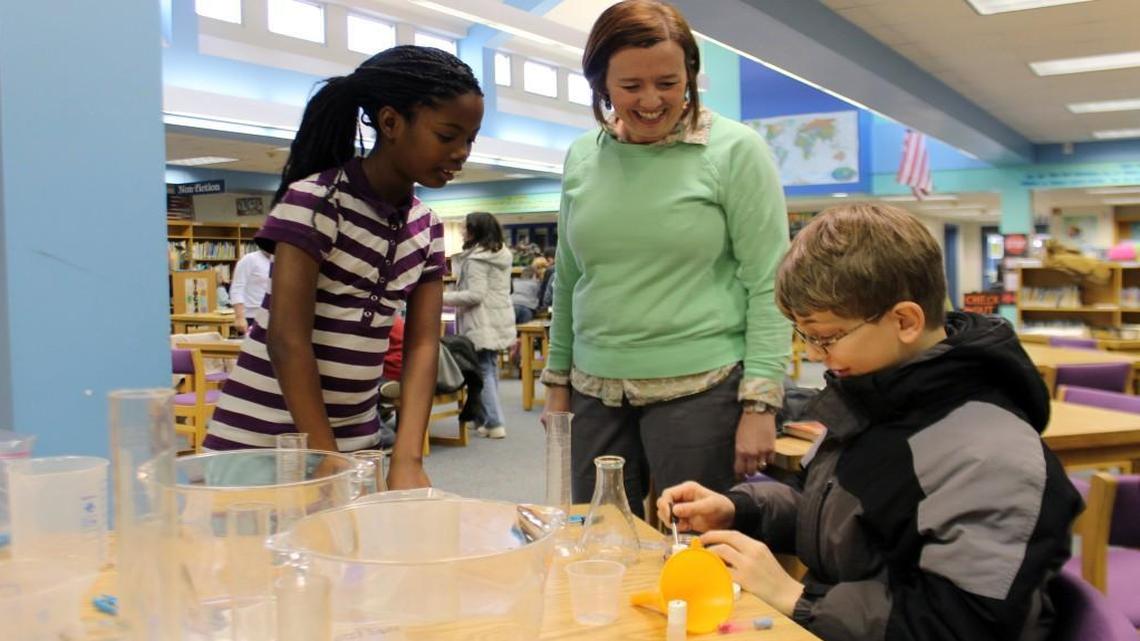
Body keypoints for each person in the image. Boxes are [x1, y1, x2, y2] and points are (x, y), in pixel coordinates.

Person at [658, 204, 1082, 641]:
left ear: (904, 321)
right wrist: (740, 510)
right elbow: (850, 521)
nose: (818, 355)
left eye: (826, 336)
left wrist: (795, 598)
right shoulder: (879, 396)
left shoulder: (989, 456)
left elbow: (962, 624)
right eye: (806, 337)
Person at [541, 0, 791, 515]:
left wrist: (760, 401)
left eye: (669, 82)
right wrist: (557, 383)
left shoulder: (735, 150)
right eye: (631, 86)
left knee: (696, 547)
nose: (652, 100)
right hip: (593, 388)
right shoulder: (582, 156)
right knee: (597, 544)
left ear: (692, 75)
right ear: (601, 85)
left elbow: (769, 281)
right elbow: (568, 278)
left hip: (700, 387)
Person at [202, 46, 484, 490]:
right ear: (390, 123)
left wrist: (407, 457)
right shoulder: (316, 204)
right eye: (447, 135)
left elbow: (423, 346)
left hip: (357, 444)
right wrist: (324, 453)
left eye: (470, 139)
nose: (461, 152)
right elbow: (287, 340)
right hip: (260, 443)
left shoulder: (426, 228)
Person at [443, 212, 515, 439]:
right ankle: (484, 418)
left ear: (475, 231)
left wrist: (441, 298)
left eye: (466, 228)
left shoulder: (476, 260)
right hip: (497, 319)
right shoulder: (500, 254)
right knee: (489, 370)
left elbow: (475, 295)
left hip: (481, 321)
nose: (463, 231)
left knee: (483, 371)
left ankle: (494, 422)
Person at [229, 248, 272, 335]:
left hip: (274, 317)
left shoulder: (282, 261)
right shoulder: (250, 259)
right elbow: (237, 288)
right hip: (252, 317)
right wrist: (239, 317)